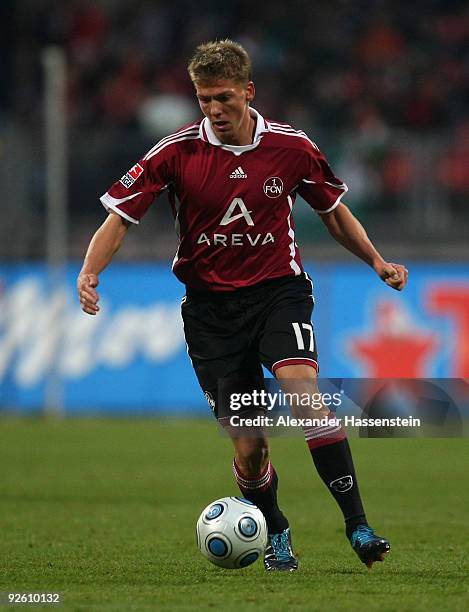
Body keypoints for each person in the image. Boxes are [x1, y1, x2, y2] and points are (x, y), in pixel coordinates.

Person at [77, 39, 408, 572]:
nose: (213, 110)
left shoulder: (293, 148)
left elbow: (333, 212)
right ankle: (276, 528)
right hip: (211, 311)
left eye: (223, 98)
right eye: (203, 99)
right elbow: (119, 217)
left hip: (279, 292)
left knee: (304, 393)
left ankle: (358, 525)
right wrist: (91, 272)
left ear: (248, 92)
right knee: (249, 443)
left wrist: (376, 261)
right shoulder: (175, 152)